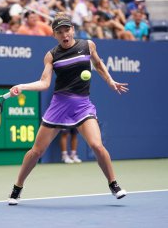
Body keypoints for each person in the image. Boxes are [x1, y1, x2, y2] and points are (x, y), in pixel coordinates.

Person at [7, 12, 128, 205]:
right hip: (59, 105)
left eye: (67, 30)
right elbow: (44, 83)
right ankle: (17, 187)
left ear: (72, 30)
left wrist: (110, 80)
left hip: (82, 105)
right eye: (59, 32)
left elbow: (98, 64)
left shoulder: (87, 45)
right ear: (54, 34)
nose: (64, 35)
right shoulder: (51, 55)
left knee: (97, 145)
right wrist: (22, 87)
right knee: (36, 151)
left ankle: (113, 183)